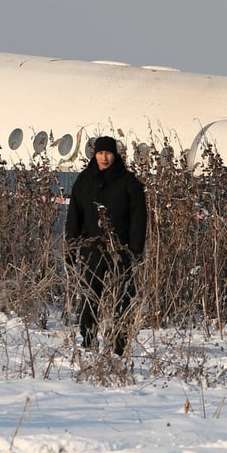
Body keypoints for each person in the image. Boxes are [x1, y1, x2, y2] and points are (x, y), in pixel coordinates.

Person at [65, 136, 147, 356]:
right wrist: (71, 247)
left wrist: (135, 250)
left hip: (121, 249)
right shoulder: (84, 180)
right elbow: (74, 216)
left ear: (115, 155)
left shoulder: (129, 183)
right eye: (100, 153)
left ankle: (120, 344)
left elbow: (139, 219)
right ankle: (89, 342)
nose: (104, 157)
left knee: (124, 296)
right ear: (95, 154)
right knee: (91, 296)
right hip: (92, 248)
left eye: (108, 153)